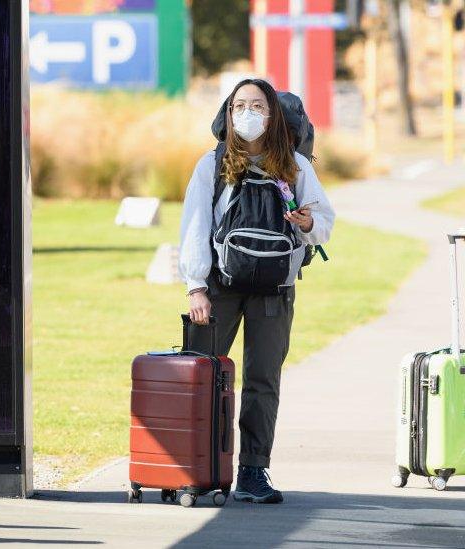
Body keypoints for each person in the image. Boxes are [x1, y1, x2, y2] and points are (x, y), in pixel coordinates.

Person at [179, 79, 335, 504]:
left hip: (274, 290)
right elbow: (194, 226)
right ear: (228, 114)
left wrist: (306, 224)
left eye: (258, 105)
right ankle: (197, 466)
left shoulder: (296, 167)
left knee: (263, 381)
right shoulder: (210, 165)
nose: (248, 113)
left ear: (274, 116)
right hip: (218, 290)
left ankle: (252, 471)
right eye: (239, 105)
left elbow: (323, 222)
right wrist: (196, 287)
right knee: (202, 377)